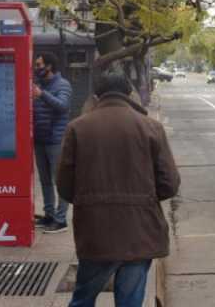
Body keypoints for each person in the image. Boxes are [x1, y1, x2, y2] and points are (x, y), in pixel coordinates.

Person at [57, 71, 180, 307]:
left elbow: (64, 185)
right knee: (130, 302)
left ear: (96, 96)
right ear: (128, 93)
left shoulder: (77, 128)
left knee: (83, 298)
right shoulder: (150, 127)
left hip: (95, 232)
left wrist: (88, 201)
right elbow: (170, 183)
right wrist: (144, 199)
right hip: (139, 230)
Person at [33, 53, 73, 234]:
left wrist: (42, 95)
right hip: (40, 139)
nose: (36, 68)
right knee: (45, 181)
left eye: (39, 64)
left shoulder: (62, 84)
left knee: (59, 181)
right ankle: (49, 214)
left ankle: (61, 219)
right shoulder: (39, 84)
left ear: (49, 66)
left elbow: (63, 106)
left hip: (56, 140)